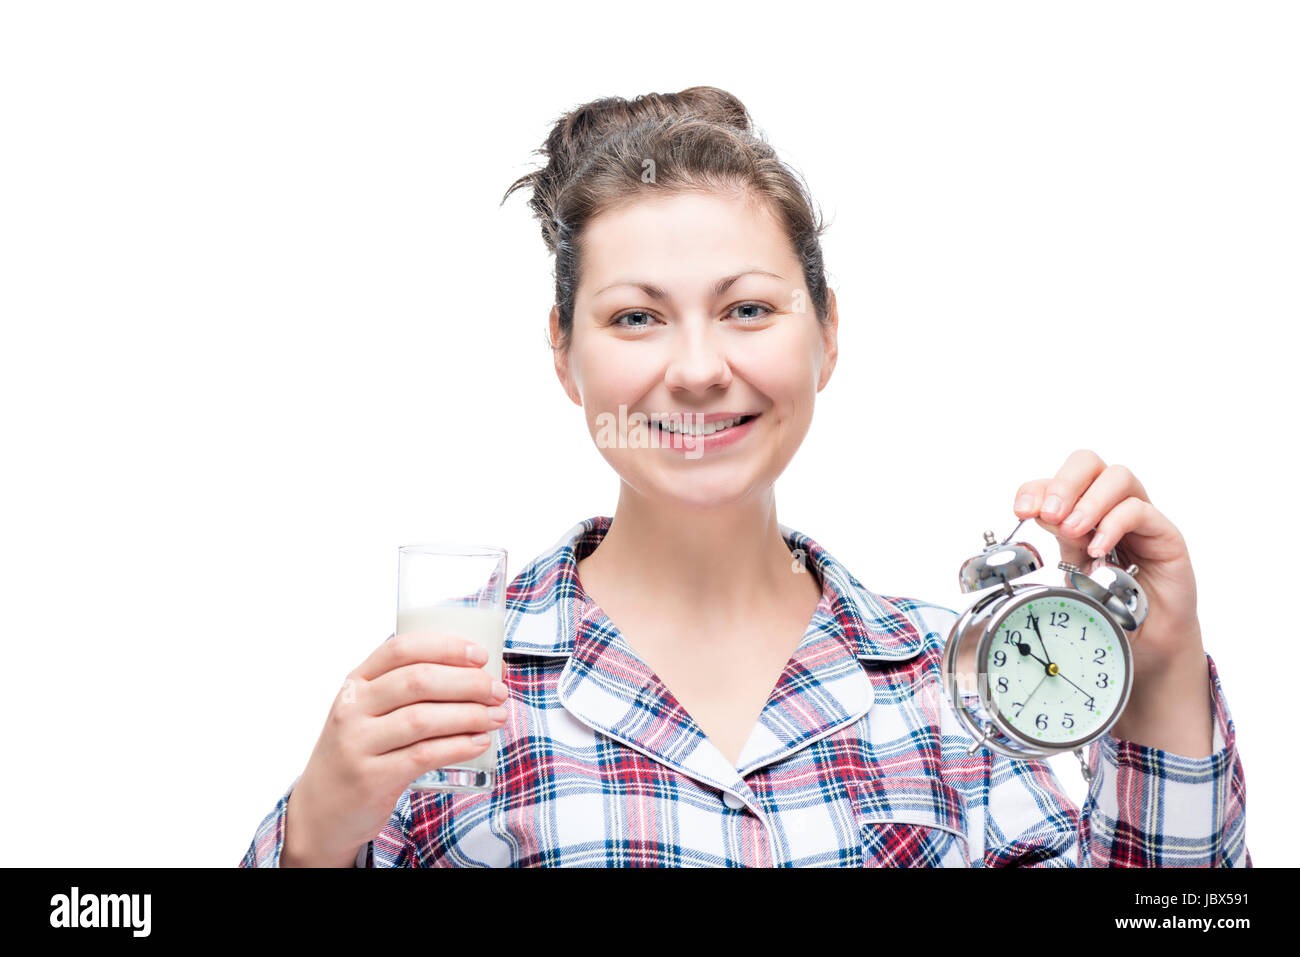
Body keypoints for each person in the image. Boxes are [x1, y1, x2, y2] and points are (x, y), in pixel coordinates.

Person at [240, 86, 1249, 868]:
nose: (695, 368)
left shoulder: (960, 686)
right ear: (562, 353)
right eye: (636, 316)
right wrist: (315, 833)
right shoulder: (449, 689)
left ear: (829, 333)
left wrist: (1160, 675)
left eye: (747, 309)